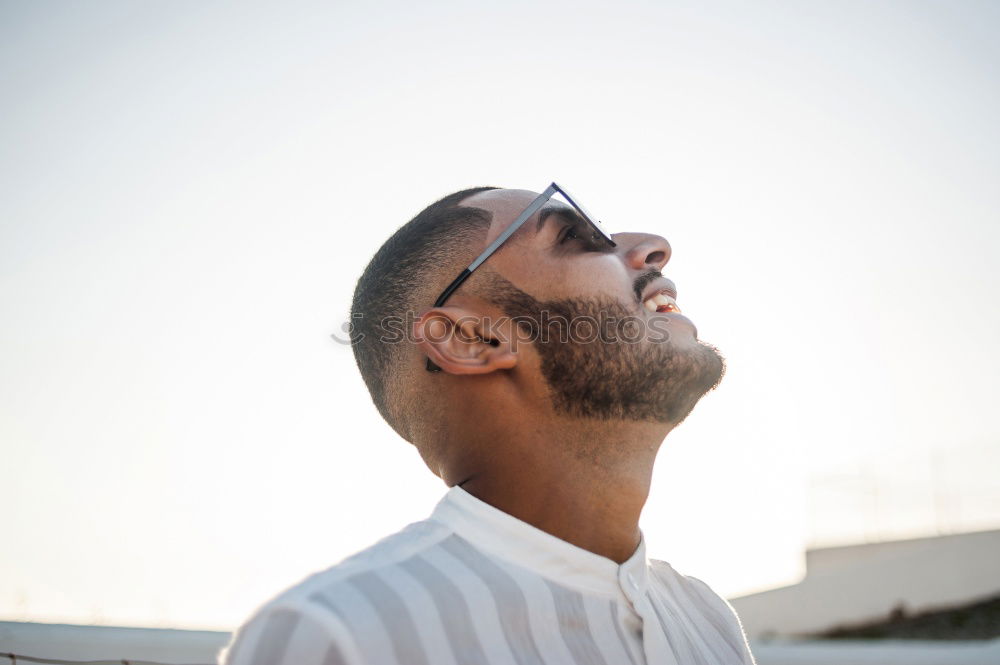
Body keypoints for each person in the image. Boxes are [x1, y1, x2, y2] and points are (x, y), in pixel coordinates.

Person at [220, 185, 756, 665]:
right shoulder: (340, 637)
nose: (653, 245)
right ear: (474, 340)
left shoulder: (705, 619)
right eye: (572, 237)